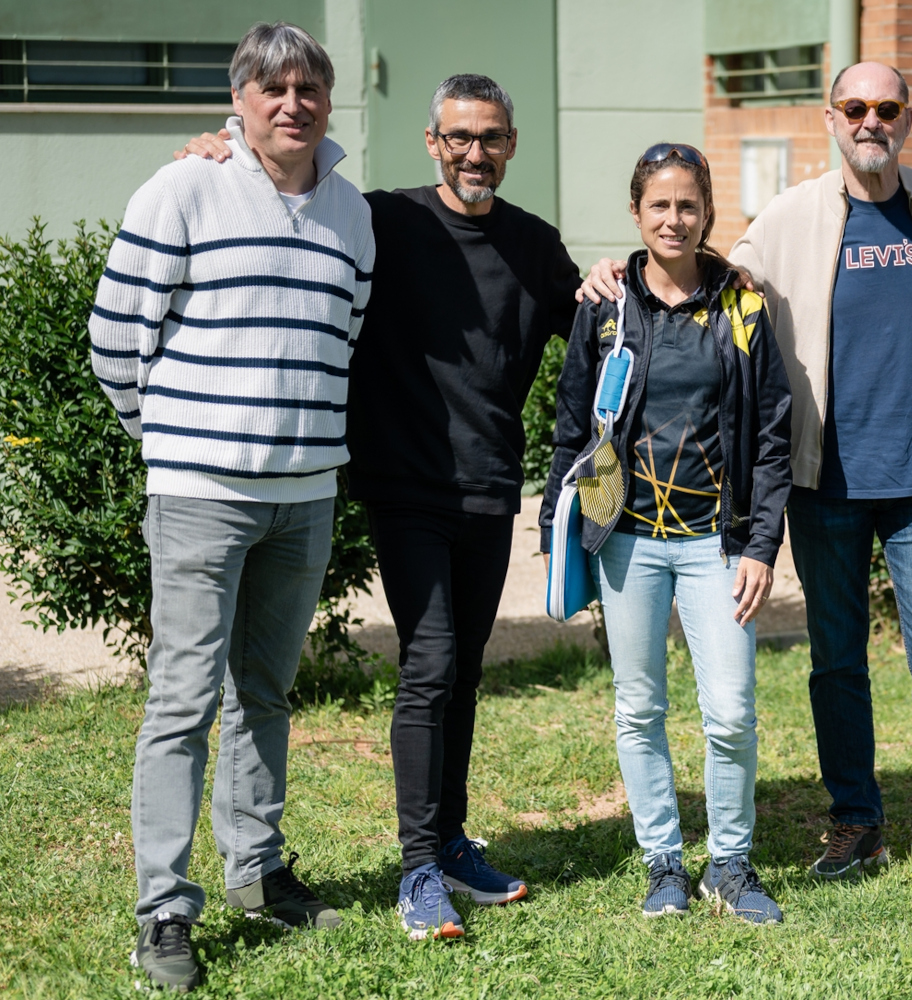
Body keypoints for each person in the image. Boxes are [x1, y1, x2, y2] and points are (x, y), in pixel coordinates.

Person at [580, 62, 912, 910]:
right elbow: (698, 273)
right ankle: (856, 820)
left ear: (907, 117)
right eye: (856, 107)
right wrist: (612, 273)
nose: (872, 120)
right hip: (823, 482)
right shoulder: (790, 217)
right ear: (831, 117)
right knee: (837, 663)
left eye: (887, 107)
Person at [176, 74, 582, 941]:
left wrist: (623, 276)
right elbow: (282, 197)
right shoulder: (381, 220)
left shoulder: (536, 247)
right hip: (403, 487)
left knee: (464, 671)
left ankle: (450, 841)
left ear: (512, 145)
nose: (477, 153)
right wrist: (216, 152)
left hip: (488, 485)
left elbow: (591, 326)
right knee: (431, 663)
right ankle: (416, 871)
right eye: (460, 137)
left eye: (494, 138)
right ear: (432, 142)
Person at [91, 22, 373, 992]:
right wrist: (170, 442)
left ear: (328, 102)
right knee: (180, 703)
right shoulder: (184, 187)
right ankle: (164, 911)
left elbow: (348, 336)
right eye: (272, 87)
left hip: (305, 498)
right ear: (240, 101)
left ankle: (259, 873)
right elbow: (113, 334)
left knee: (266, 691)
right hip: (202, 496)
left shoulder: (352, 212)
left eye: (308, 86)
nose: (291, 101)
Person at [541, 142, 793, 923]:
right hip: (627, 542)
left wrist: (760, 548)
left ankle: (730, 864)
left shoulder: (743, 306)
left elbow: (774, 435)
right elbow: (571, 423)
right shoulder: (607, 306)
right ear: (636, 212)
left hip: (716, 545)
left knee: (731, 711)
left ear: (707, 212)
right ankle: (664, 865)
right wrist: (559, 528)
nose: (674, 219)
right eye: (660, 205)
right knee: (638, 707)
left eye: (688, 205)